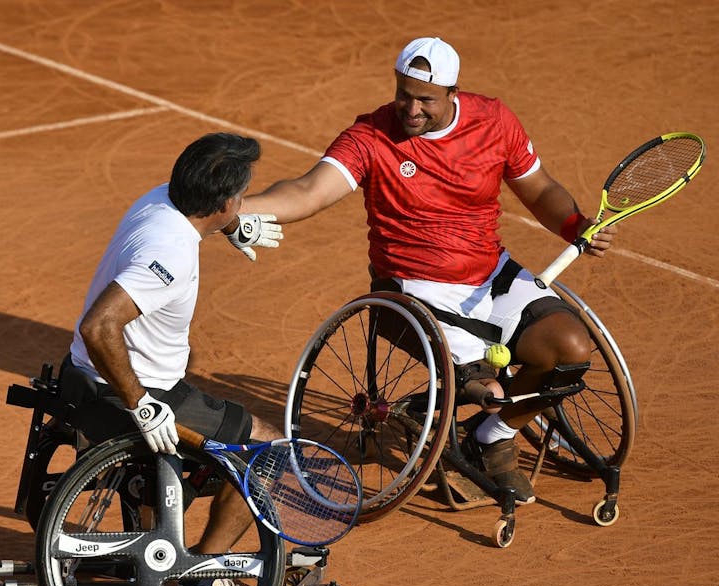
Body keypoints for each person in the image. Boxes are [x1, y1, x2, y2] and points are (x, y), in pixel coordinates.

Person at [238, 37, 619, 504]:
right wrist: (239, 210)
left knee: (570, 350)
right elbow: (309, 189)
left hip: (490, 275)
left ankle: (493, 436)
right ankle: (466, 417)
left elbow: (538, 188)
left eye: (425, 99)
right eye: (403, 93)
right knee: (491, 385)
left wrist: (575, 223)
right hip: (415, 289)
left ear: (454, 93)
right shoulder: (372, 137)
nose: (410, 108)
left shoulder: (494, 121)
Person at [65, 132, 282, 563]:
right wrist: (141, 403)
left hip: (85, 375)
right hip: (139, 391)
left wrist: (235, 225)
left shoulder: (161, 197)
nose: (241, 203)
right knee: (269, 449)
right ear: (220, 203)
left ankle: (157, 518)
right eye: (239, 199)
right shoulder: (171, 254)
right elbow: (99, 325)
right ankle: (202, 568)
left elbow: (206, 210)